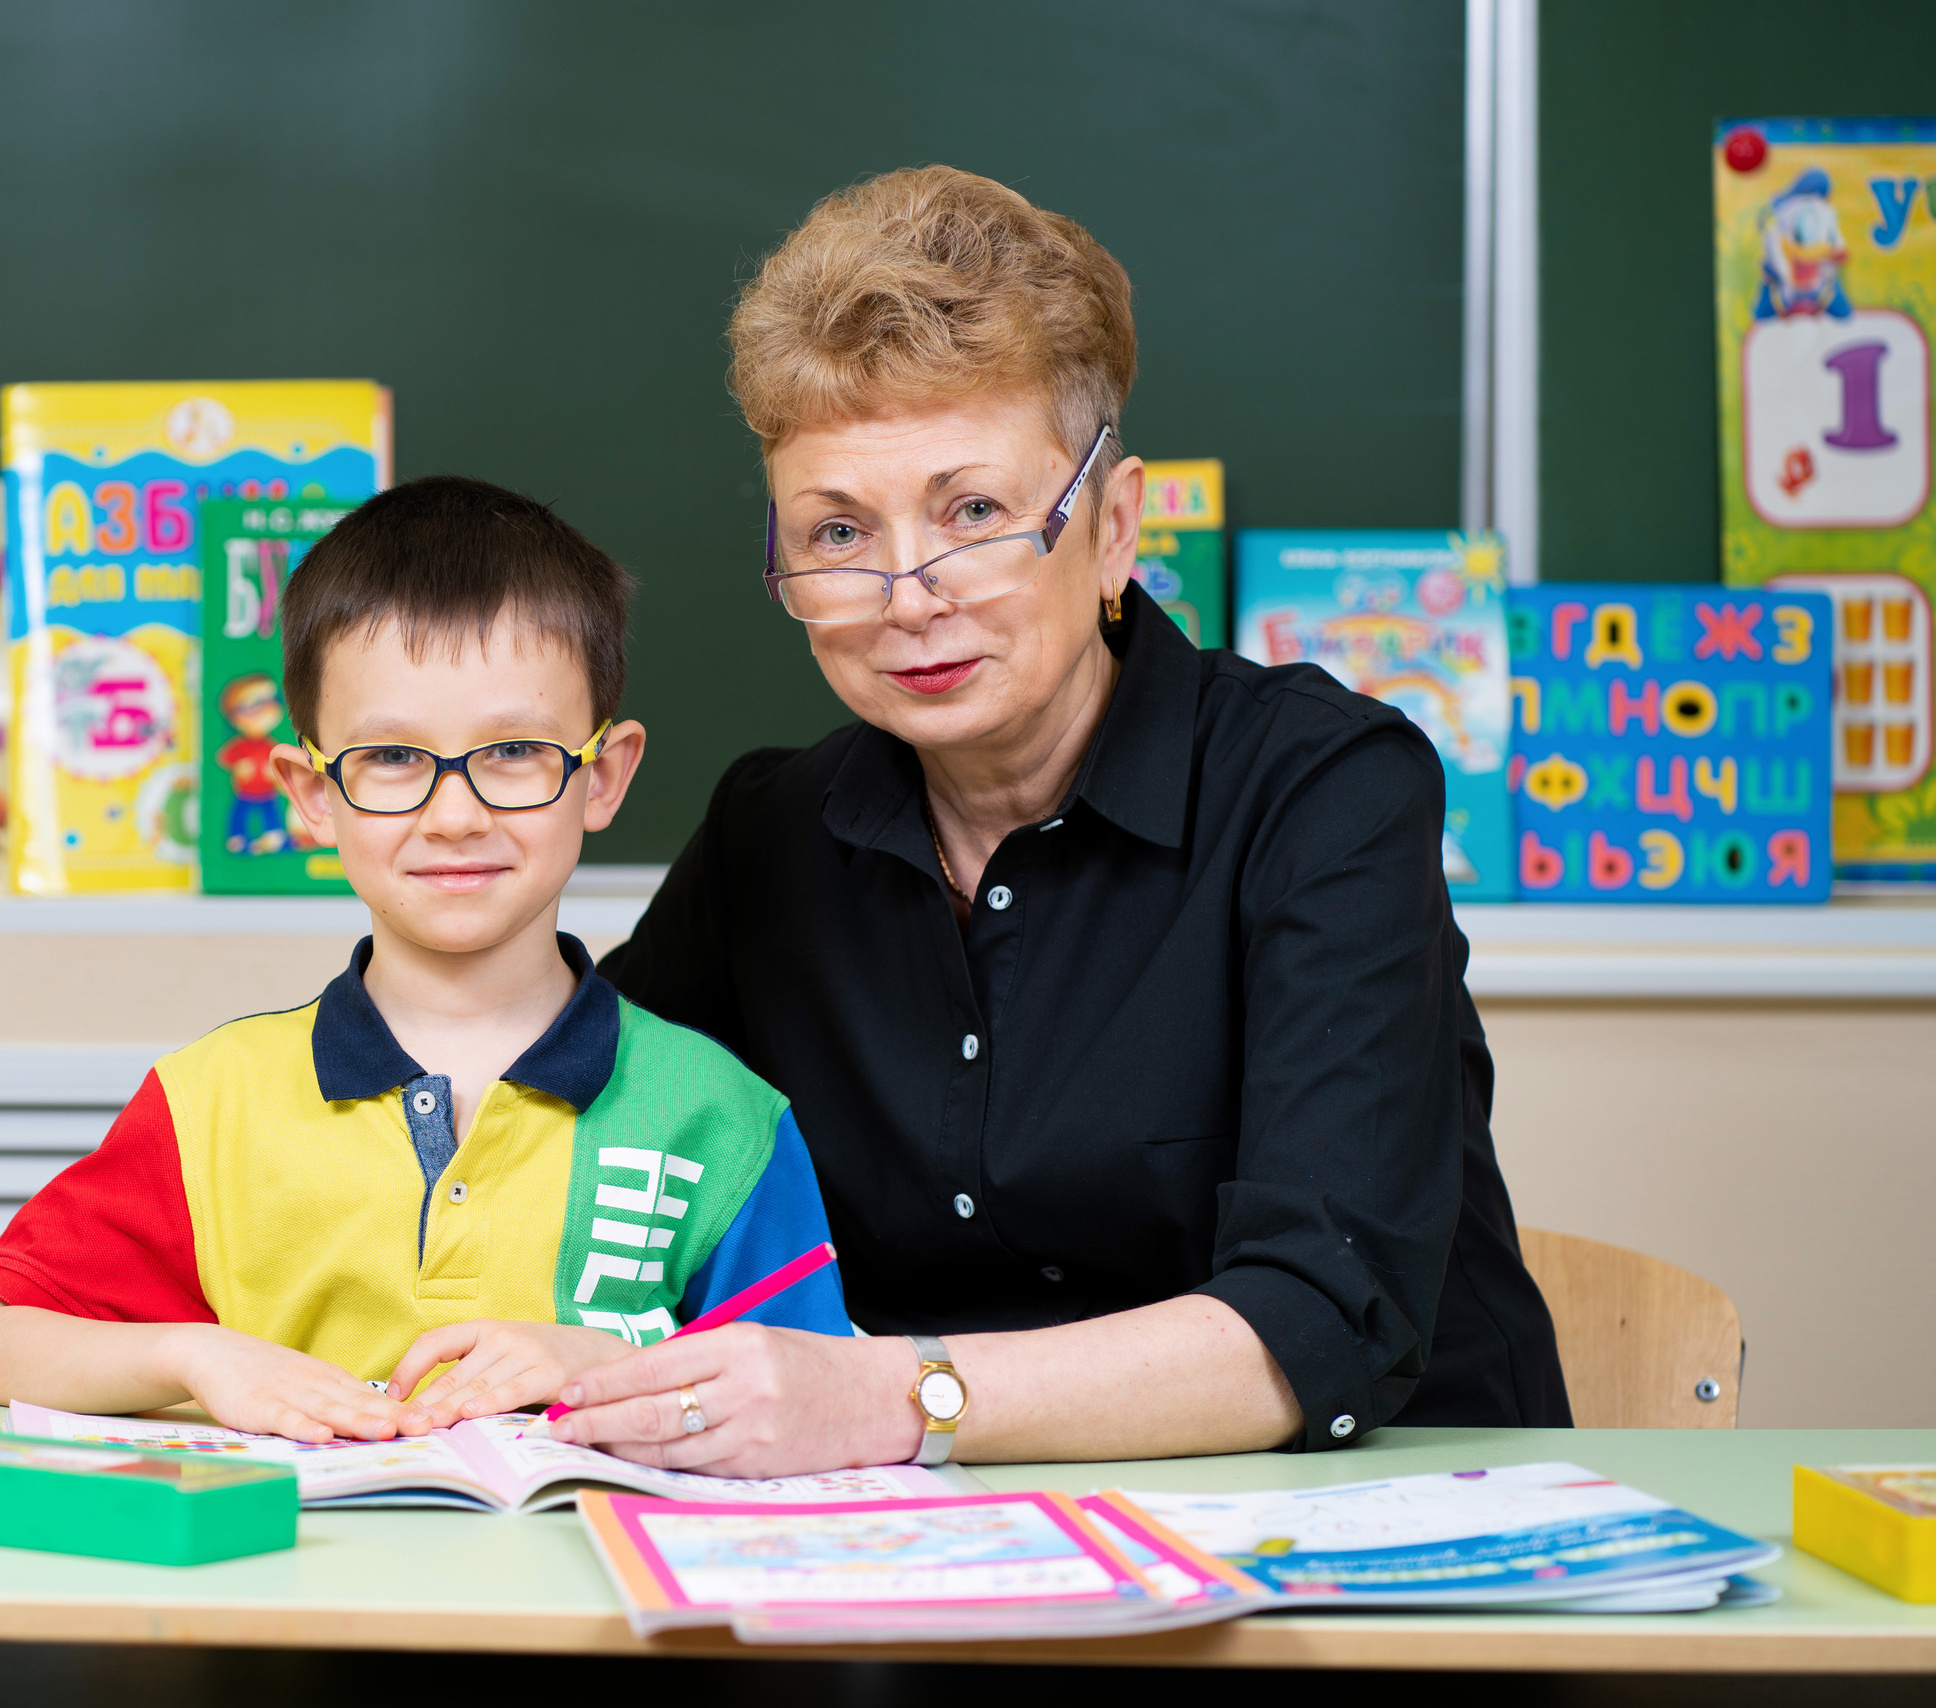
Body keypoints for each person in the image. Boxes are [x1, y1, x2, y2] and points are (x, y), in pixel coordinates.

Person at [549, 166, 1569, 1476]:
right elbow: (564, 1130)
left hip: (1369, 1524)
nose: (906, 596)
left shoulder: (1324, 790)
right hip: (932, 1544)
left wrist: (885, 1396)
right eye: (838, 531)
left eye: (972, 512)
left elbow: (1324, 1314)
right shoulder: (770, 835)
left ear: (1115, 525)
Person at [0, 476, 851, 1441]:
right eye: (393, 758)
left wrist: (611, 1369)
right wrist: (195, 1356)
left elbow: (814, 1401)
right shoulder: (211, 1103)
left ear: (603, 777)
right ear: (310, 794)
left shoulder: (722, 1117)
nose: (455, 815)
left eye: (514, 752)